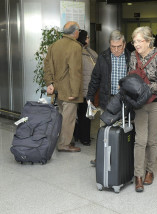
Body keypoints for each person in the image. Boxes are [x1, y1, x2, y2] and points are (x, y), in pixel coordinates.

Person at [130, 26, 157, 192]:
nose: (136, 44)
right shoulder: (133, 55)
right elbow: (130, 76)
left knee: (152, 140)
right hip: (140, 104)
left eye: (139, 41)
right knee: (140, 140)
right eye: (134, 41)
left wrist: (144, 88)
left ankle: (149, 171)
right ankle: (138, 175)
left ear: (148, 41)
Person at [86, 30, 131, 164]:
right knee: (104, 129)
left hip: (124, 100)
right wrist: (89, 96)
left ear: (124, 44)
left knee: (122, 130)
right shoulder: (103, 57)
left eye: (118, 46)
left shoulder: (131, 57)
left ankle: (121, 159)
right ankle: (101, 158)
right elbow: (95, 78)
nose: (116, 50)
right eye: (113, 47)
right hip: (107, 99)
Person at [44, 21, 82, 152]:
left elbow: (47, 66)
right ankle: (64, 144)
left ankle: (63, 140)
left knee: (61, 116)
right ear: (75, 32)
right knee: (68, 118)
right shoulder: (75, 47)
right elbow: (75, 71)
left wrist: (49, 83)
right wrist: (75, 91)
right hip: (69, 89)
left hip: (58, 89)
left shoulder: (54, 45)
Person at [73, 30, 98, 146]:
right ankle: (84, 138)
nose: (88, 39)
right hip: (83, 89)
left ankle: (81, 136)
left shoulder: (88, 51)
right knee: (84, 114)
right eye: (87, 37)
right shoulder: (79, 52)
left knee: (84, 113)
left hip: (87, 88)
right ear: (82, 38)